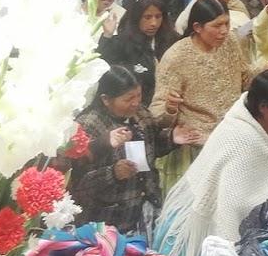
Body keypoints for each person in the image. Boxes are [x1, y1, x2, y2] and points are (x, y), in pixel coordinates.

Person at [154, 70, 268, 256]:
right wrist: (234, 254)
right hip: (208, 232)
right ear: (263, 107)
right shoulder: (238, 137)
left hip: (267, 234)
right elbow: (232, 204)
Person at [148, 0, 268, 193]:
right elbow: (156, 114)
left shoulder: (230, 43)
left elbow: (245, 81)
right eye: (217, 25)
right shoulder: (176, 57)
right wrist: (169, 109)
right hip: (196, 149)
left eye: (227, 23)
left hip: (234, 138)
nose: (224, 31)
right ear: (197, 27)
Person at [66, 66, 198, 236]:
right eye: (128, 99)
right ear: (106, 99)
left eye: (139, 95)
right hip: (106, 220)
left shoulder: (140, 113)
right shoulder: (87, 125)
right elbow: (80, 184)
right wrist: (114, 173)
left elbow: (152, 148)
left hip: (144, 209)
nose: (136, 103)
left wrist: (171, 138)